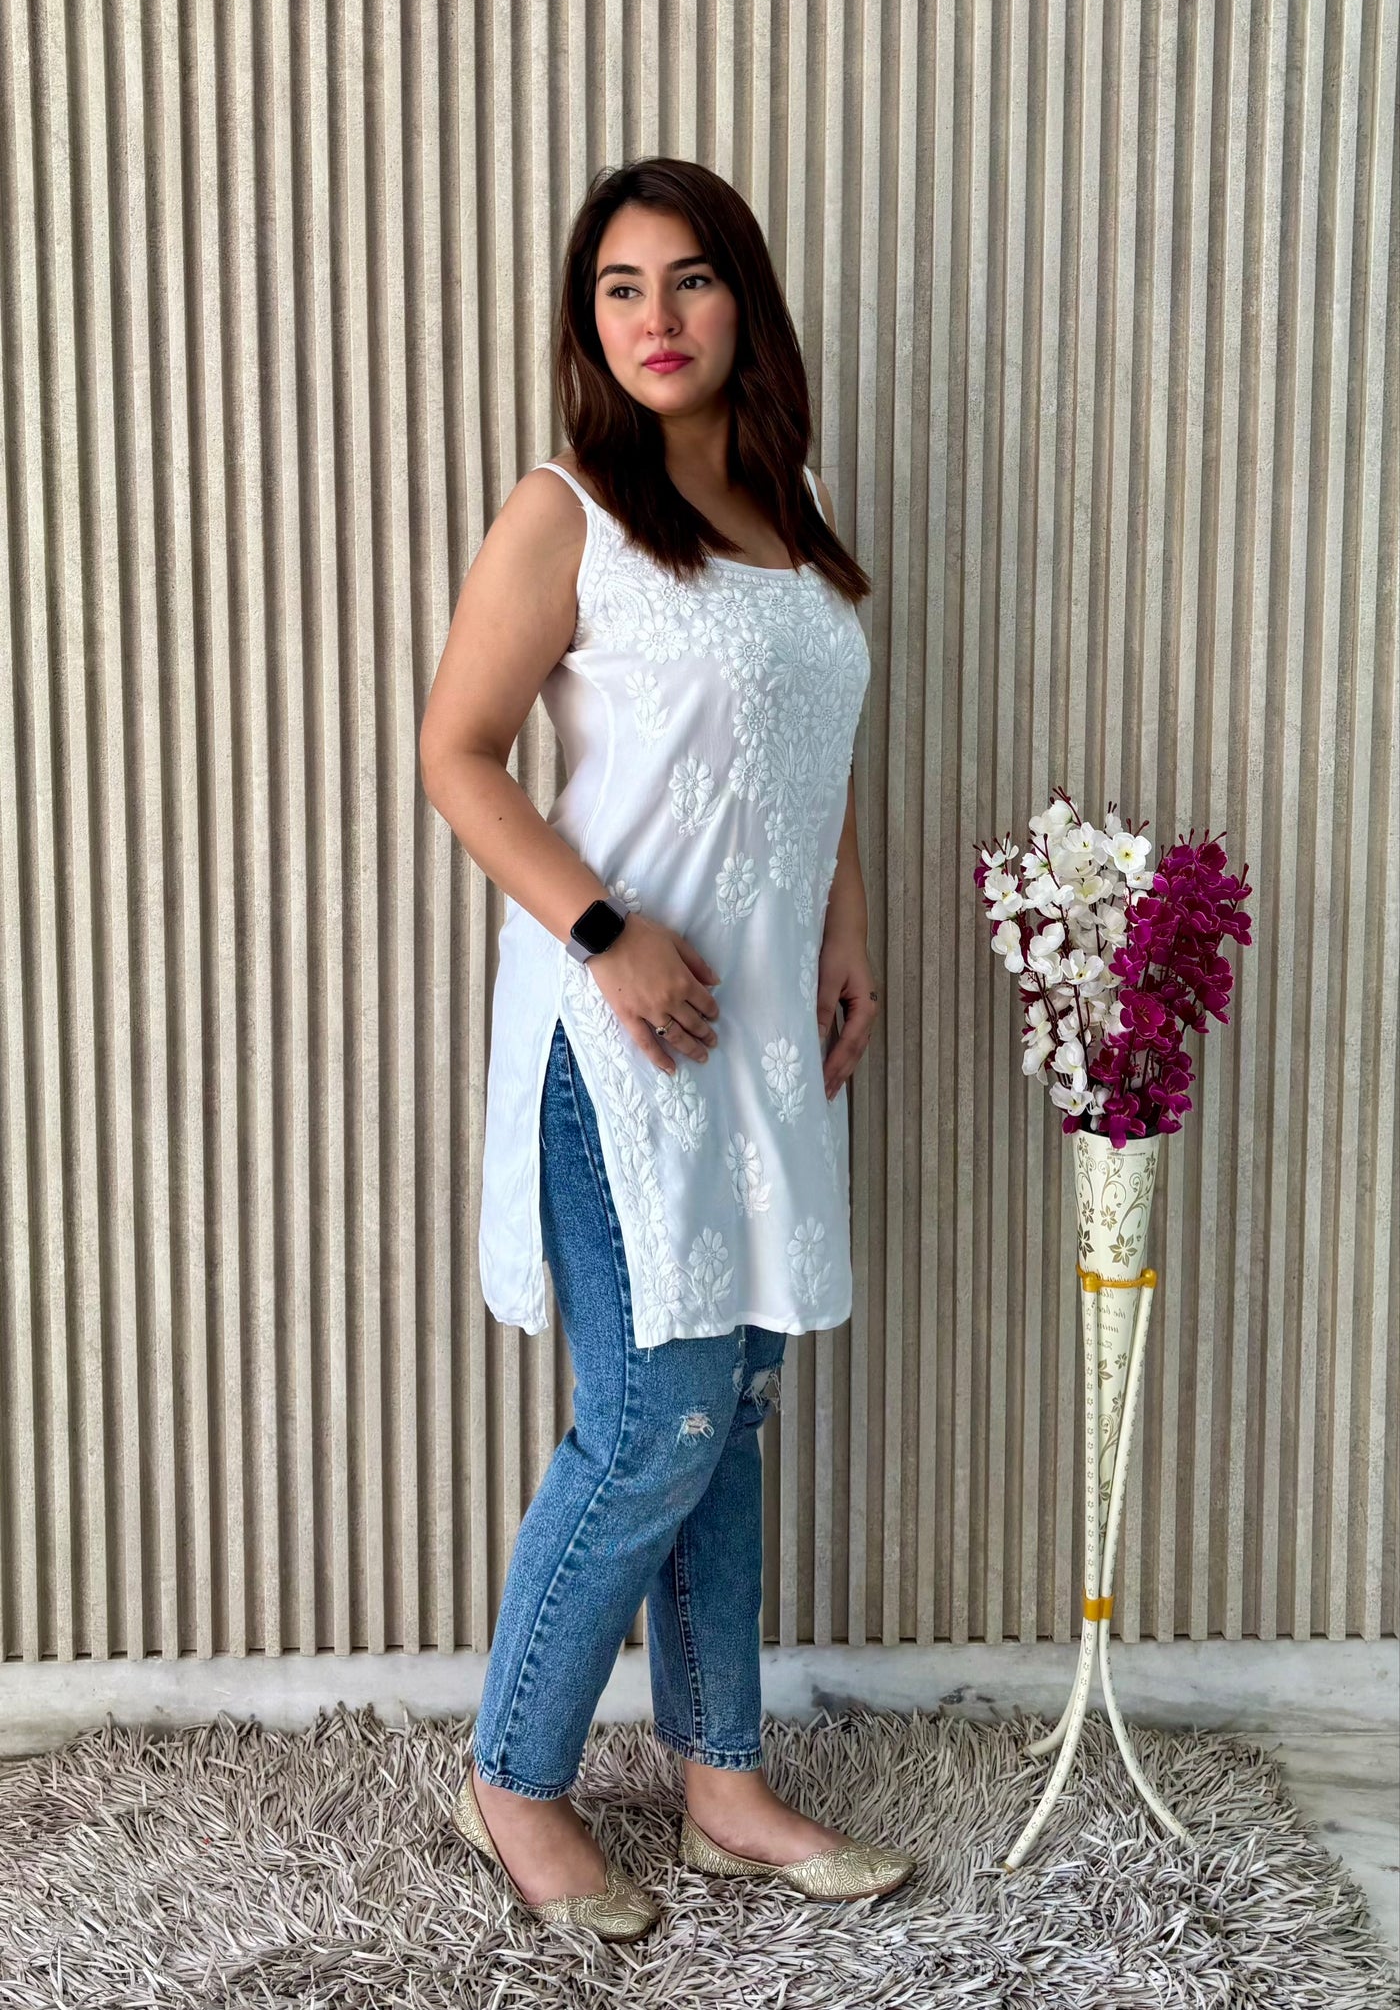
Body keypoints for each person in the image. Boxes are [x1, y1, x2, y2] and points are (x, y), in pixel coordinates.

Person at [419, 157, 912, 1937]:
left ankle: (720, 1780)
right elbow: (458, 751)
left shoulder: (794, 509)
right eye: (618, 288)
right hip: (617, 1035)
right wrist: (608, 932)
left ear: (741, 302)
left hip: (764, 1032)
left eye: (689, 279)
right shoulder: (563, 513)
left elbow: (810, 748)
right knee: (656, 1418)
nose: (655, 317)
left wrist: (846, 922)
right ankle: (514, 1774)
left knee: (734, 1413)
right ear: (588, 323)